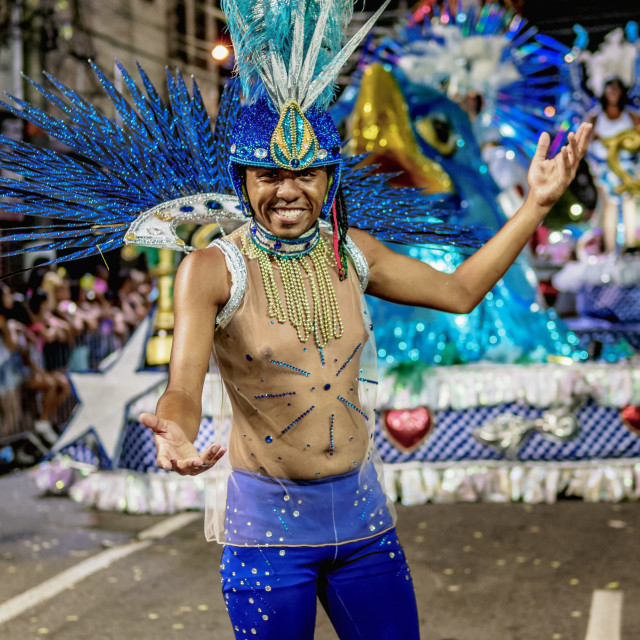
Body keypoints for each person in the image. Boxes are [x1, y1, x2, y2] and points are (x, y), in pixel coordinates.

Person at [139, 101, 591, 638]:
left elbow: (461, 292)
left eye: (305, 173)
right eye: (269, 176)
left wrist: (536, 204)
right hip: (269, 533)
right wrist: (177, 432)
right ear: (243, 180)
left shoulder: (354, 253)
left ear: (329, 178)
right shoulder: (211, 269)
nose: (287, 191)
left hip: (363, 524)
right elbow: (183, 389)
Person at [588, 77, 640, 253]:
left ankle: (630, 245)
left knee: (629, 203)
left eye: (617, 90)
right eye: (610, 89)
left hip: (627, 168)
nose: (613, 94)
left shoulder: (632, 116)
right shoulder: (595, 117)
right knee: (609, 206)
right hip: (605, 169)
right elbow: (586, 143)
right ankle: (610, 249)